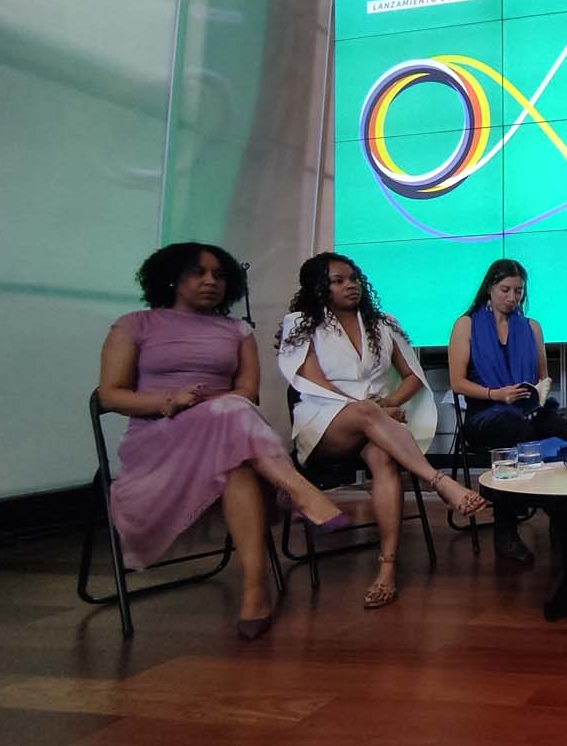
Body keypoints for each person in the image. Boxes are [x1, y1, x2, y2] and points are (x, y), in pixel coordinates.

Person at [98, 243, 349, 640]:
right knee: (232, 419)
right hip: (160, 440)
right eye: (198, 273)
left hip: (227, 435)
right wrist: (168, 401)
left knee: (237, 458)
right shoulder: (134, 325)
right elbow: (110, 395)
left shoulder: (237, 331)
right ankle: (300, 492)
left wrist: (210, 406)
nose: (211, 281)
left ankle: (254, 590)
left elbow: (247, 393)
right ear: (171, 278)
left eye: (219, 275)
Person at [277, 252, 486, 610]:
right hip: (324, 421)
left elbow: (412, 377)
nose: (350, 285)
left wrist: (387, 405)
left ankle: (386, 568)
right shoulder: (301, 323)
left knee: (383, 458)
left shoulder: (383, 323)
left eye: (354, 278)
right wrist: (378, 410)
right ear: (319, 288)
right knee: (366, 413)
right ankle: (439, 482)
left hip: (377, 423)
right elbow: (312, 381)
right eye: (338, 280)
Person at [448, 258, 567, 563]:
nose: (512, 297)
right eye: (505, 290)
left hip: (526, 408)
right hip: (484, 414)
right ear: (490, 288)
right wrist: (497, 394)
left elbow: (543, 377)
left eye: (518, 291)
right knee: (515, 430)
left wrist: (538, 392)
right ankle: (505, 531)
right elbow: (457, 383)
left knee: (562, 430)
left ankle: (563, 518)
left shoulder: (531, 327)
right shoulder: (466, 324)